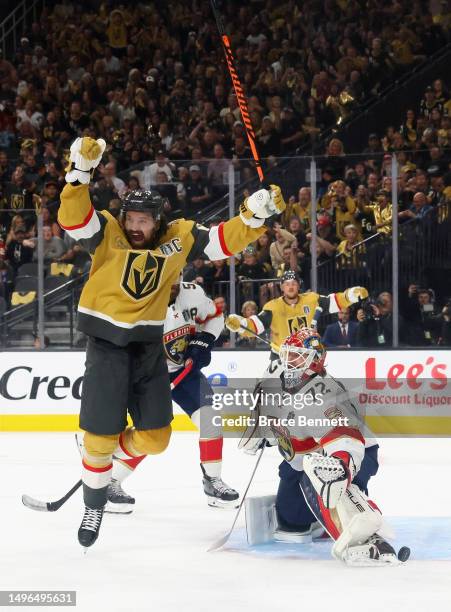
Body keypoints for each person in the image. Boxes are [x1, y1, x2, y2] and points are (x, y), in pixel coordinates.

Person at [57, 136, 286, 548]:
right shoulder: (108, 234)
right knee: (100, 438)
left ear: (158, 221)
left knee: (156, 438)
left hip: (148, 348)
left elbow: (220, 241)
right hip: (106, 344)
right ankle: (95, 502)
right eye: (131, 218)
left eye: (143, 220)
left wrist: (252, 217)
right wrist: (79, 174)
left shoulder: (177, 238)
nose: (135, 226)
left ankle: (101, 462)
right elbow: (74, 219)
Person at [241, 327, 405, 565]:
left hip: (353, 452)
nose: (288, 360)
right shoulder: (280, 375)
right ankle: (320, 514)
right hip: (302, 455)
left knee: (323, 474)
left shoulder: (323, 394)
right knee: (291, 524)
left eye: (297, 355)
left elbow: (346, 438)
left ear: (316, 360)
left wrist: (340, 467)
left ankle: (369, 537)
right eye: (287, 353)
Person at [102, 280, 239, 511]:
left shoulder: (192, 292)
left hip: (184, 372)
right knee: (151, 436)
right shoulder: (136, 301)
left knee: (210, 418)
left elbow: (215, 315)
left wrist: (203, 341)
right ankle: (110, 482)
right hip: (148, 378)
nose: (174, 283)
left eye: (177, 275)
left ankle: (212, 481)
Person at [225, 270, 368, 371]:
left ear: (298, 285)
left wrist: (351, 295)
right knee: (272, 398)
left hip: (309, 356)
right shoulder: (273, 307)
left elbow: (334, 302)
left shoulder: (311, 299)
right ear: (282, 287)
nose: (291, 286)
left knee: (317, 398)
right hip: (280, 358)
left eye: (293, 283)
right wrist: (240, 324)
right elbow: (255, 326)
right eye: (287, 284)